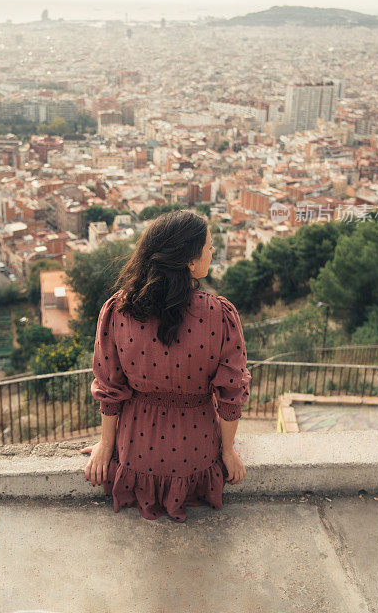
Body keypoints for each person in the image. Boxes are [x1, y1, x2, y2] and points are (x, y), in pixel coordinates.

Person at [81, 209, 252, 522]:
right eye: (209, 247)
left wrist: (107, 445)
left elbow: (109, 386)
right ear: (189, 261)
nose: (213, 252)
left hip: (135, 452)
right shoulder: (220, 315)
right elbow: (231, 393)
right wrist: (227, 452)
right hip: (196, 459)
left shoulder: (119, 310)